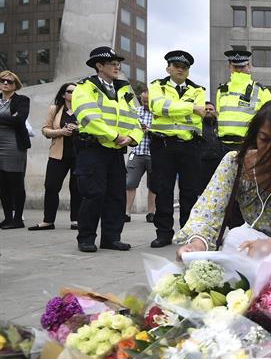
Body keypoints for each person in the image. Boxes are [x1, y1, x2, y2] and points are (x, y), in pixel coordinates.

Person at [175, 100, 271, 259]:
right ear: (255, 135)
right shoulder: (235, 164)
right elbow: (207, 212)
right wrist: (197, 244)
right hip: (249, 248)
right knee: (235, 237)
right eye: (264, 139)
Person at [71, 47, 143, 252]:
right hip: (92, 149)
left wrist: (131, 137)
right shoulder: (84, 88)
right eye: (112, 63)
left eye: (118, 63)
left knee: (115, 196)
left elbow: (134, 120)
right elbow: (87, 117)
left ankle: (111, 238)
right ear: (99, 66)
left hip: (115, 151)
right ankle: (86, 238)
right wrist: (114, 135)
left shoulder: (123, 90)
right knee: (94, 194)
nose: (117, 66)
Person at [148, 51, 207, 248]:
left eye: (185, 67)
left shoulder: (198, 90)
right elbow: (158, 107)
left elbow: (199, 115)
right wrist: (189, 108)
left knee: (189, 191)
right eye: (176, 65)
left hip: (190, 145)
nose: (181, 69)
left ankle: (187, 232)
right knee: (163, 189)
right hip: (163, 144)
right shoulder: (157, 86)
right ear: (168, 68)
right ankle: (163, 233)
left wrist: (174, 108)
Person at [30, 82, 80, 231]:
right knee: (51, 186)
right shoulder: (55, 109)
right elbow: (45, 130)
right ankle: (48, 221)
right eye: (70, 91)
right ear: (64, 94)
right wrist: (61, 132)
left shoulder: (83, 110)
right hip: (58, 154)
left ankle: (76, 220)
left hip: (79, 154)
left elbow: (92, 128)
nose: (73, 94)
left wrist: (78, 128)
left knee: (77, 188)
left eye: (76, 91)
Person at [216, 50, 271, 151]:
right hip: (221, 146)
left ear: (249, 66)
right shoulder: (221, 90)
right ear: (229, 66)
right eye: (235, 66)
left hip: (247, 146)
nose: (239, 70)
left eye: (242, 66)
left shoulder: (261, 91)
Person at [0, 70, 30, 229]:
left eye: (9, 81)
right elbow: (13, 119)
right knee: (2, 184)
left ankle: (17, 219)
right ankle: (7, 218)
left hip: (13, 145)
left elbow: (19, 120)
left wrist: (12, 119)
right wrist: (9, 119)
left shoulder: (22, 100)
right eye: (2, 80)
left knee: (15, 182)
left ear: (15, 85)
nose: (5, 83)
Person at [124, 88, 155, 223]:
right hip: (137, 152)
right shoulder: (136, 112)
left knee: (153, 185)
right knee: (130, 183)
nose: (145, 103)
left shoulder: (159, 114)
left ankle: (151, 213)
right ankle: (126, 212)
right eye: (143, 101)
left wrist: (149, 130)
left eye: (147, 101)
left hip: (154, 154)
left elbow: (165, 131)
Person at [198, 101, 223, 193]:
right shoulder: (198, 125)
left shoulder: (221, 126)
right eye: (206, 109)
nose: (208, 111)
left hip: (218, 164)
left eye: (211, 109)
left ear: (215, 112)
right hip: (202, 165)